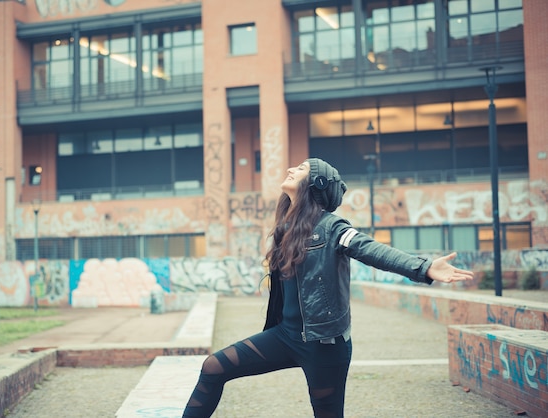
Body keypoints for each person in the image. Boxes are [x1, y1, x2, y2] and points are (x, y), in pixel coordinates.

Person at [182, 158, 474, 418]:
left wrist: (424, 267)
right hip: (285, 336)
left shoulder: (333, 228)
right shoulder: (287, 229)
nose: (291, 169)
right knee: (213, 367)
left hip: (323, 346)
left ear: (316, 183)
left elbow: (370, 249)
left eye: (301, 169)